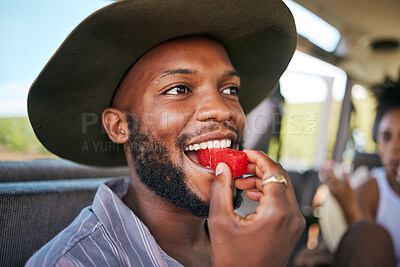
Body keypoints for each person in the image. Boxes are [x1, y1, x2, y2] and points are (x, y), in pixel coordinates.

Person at [25, 0, 305, 266]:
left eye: (230, 90)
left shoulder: (258, 230)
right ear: (119, 127)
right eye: (179, 89)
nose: (222, 110)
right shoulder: (69, 262)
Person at [320, 75, 400, 267]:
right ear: (378, 144)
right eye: (386, 137)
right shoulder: (370, 190)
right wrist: (349, 205)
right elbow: (367, 252)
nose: (396, 149)